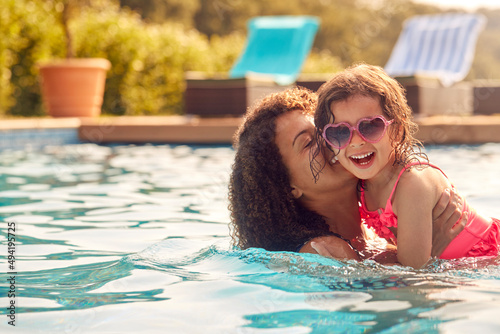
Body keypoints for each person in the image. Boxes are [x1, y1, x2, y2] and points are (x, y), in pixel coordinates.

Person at [229, 86, 466, 262]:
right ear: (288, 188)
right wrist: (437, 250)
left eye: (331, 129)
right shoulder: (325, 252)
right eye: (309, 142)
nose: (335, 141)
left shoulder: (377, 227)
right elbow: (410, 297)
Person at [314, 63, 500, 268]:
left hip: (489, 257)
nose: (356, 141)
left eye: (370, 126)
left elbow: (412, 275)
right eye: (340, 132)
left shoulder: (413, 183)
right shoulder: (361, 183)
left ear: (397, 129)